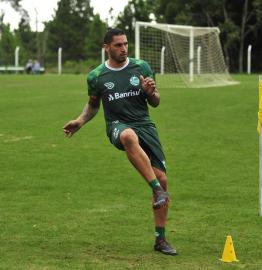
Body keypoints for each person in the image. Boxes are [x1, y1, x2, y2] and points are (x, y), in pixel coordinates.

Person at [63, 28, 177, 256]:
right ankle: (156, 190)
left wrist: (150, 93)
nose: (124, 49)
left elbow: (155, 102)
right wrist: (80, 120)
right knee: (127, 136)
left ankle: (160, 239)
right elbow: (94, 104)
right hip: (117, 126)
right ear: (106, 47)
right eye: (118, 45)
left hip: (145, 126)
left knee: (163, 178)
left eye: (125, 44)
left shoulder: (141, 67)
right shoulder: (96, 76)